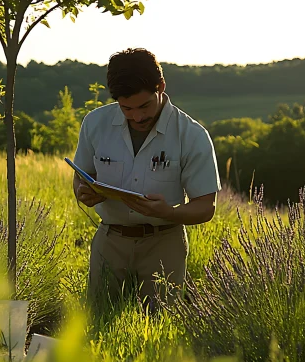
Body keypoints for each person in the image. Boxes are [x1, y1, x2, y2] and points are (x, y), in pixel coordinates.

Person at [72, 47, 221, 313]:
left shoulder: (192, 135)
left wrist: (169, 212)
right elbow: (81, 175)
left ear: (161, 87)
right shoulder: (95, 123)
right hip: (109, 241)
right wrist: (84, 192)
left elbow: (206, 207)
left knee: (159, 329)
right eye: (126, 108)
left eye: (144, 106)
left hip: (164, 245)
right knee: (97, 322)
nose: (137, 117)